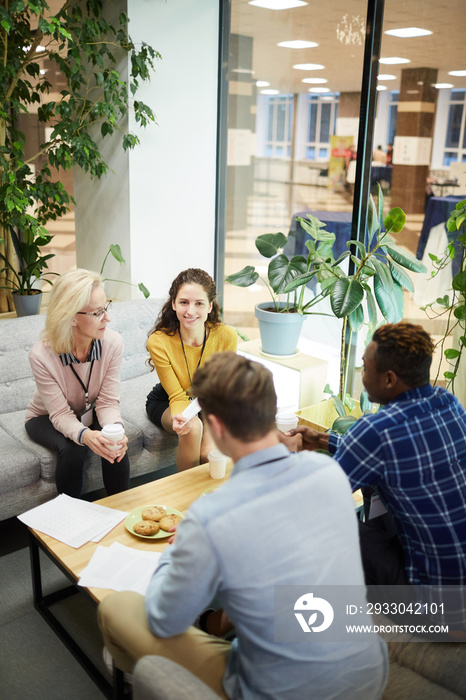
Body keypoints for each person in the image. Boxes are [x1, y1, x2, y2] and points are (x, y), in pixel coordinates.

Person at [99, 353, 388, 700]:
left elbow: (164, 619)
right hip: (370, 674)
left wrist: (177, 550)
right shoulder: (328, 473)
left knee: (117, 608)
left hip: (281, 691)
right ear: (271, 409)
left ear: (216, 428)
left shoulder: (210, 515)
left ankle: (149, 675)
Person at [284, 322, 466, 590]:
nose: (364, 376)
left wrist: (278, 461)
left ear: (389, 379)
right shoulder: (448, 403)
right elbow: (398, 451)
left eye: (366, 369)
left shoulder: (376, 431)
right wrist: (323, 439)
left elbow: (317, 500)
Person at [25, 268, 130, 498]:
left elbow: (108, 402)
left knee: (115, 440)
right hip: (46, 417)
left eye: (106, 308)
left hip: (87, 411)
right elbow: (60, 414)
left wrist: (116, 431)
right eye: (97, 313)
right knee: (74, 448)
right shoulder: (41, 355)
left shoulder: (112, 343)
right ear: (71, 316)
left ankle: (122, 509)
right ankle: (71, 520)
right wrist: (85, 435)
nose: (107, 318)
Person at [145, 268, 237, 471]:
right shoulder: (158, 342)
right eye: (184, 302)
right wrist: (182, 418)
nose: (190, 311)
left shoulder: (226, 337)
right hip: (168, 400)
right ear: (173, 303)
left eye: (199, 304)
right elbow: (177, 395)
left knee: (209, 455)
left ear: (210, 306)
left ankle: (209, 499)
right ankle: (185, 500)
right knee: (192, 427)